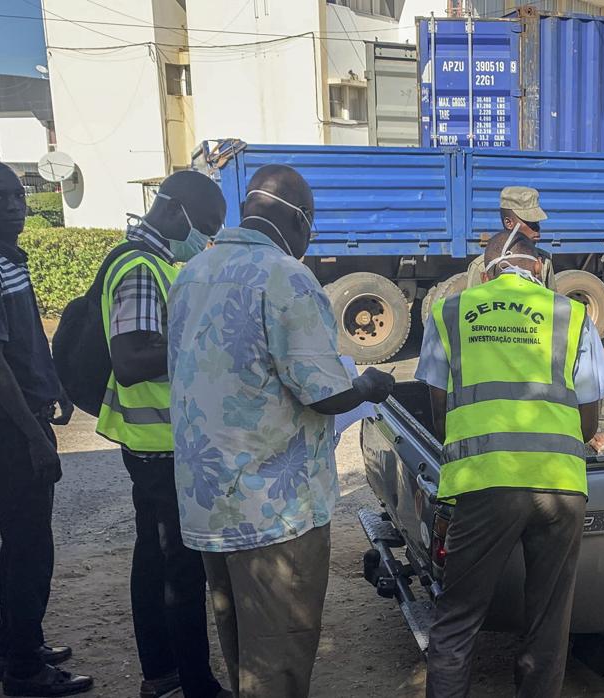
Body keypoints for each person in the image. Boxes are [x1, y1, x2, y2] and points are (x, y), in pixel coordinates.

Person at [167, 164, 395, 698]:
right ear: (299, 221)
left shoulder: (191, 273)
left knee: (242, 651)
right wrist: (366, 385)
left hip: (209, 504)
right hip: (274, 514)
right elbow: (324, 391)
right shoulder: (285, 276)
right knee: (279, 661)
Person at [418, 229, 604, 698]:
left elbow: (439, 409)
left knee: (458, 619)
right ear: (540, 269)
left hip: (483, 481)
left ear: (484, 271)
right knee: (548, 621)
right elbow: (590, 416)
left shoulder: (449, 313)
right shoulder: (572, 314)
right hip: (560, 485)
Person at [0, 160, 94, 696]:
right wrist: (35, 437)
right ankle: (26, 673)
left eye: (17, 195)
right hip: (7, 430)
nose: (14, 205)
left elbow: (24, 341)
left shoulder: (9, 259)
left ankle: (14, 647)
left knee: (24, 545)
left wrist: (54, 387)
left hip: (24, 419)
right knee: (29, 548)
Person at [97, 171, 228, 698]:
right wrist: (205, 343)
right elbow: (129, 361)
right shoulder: (139, 268)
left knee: (154, 560)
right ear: (175, 212)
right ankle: (193, 683)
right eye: (206, 228)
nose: (208, 241)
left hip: (156, 441)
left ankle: (162, 674)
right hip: (159, 445)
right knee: (180, 571)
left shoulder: (153, 263)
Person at [464, 185, 555, 289]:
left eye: (537, 222)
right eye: (529, 222)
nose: (536, 227)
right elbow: (473, 302)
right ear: (508, 223)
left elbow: (553, 302)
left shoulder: (544, 261)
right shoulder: (482, 266)